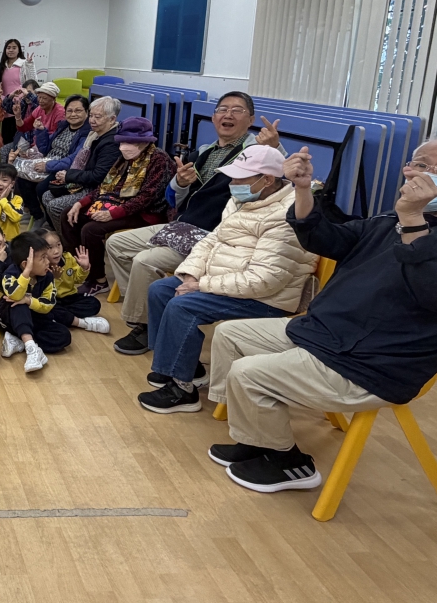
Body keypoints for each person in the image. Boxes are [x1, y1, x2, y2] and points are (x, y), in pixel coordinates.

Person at [206, 134, 437, 494]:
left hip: (376, 363)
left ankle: (289, 463)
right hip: (326, 334)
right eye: (421, 165)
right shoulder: (387, 220)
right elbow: (327, 239)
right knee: (231, 335)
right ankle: (257, 436)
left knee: (249, 374)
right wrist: (302, 189)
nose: (429, 174)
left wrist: (412, 219)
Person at [136, 146, 317, 414]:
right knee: (161, 290)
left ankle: (183, 391)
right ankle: (187, 367)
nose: (232, 183)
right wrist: (191, 273)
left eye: (239, 178)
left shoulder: (286, 215)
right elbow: (211, 240)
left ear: (267, 179)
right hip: (226, 280)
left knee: (183, 306)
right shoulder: (242, 200)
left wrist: (201, 286)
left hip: (266, 298)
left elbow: (265, 280)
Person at [105, 91, 282, 356]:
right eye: (222, 109)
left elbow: (281, 181)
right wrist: (180, 182)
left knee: (145, 261)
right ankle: (149, 311)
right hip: (181, 226)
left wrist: (275, 148)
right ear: (213, 117)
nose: (228, 115)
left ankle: (145, 325)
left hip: (213, 236)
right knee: (116, 243)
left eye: (237, 110)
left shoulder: (256, 152)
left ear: (251, 119)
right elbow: (173, 198)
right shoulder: (204, 151)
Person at [63, 117, 174, 293]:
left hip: (146, 214)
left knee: (91, 229)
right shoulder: (124, 158)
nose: (123, 146)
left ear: (144, 142)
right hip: (116, 204)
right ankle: (80, 268)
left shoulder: (159, 160)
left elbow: (146, 198)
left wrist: (112, 214)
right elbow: (105, 186)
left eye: (129, 142)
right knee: (69, 215)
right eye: (121, 142)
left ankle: (98, 279)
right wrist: (80, 203)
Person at [41, 96, 122, 232]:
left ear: (112, 119)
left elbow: (98, 177)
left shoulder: (111, 143)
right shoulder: (94, 135)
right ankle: (58, 230)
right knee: (46, 195)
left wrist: (69, 176)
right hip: (86, 182)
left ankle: (66, 239)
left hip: (98, 190)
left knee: (55, 206)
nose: (92, 120)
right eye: (91, 116)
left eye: (98, 117)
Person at [18, 94, 91, 225]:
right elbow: (45, 148)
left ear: (87, 112)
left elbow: (74, 159)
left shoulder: (86, 133)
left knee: (42, 188)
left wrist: (48, 166)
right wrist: (41, 131)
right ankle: (37, 215)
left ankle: (50, 223)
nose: (73, 114)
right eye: (70, 111)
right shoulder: (63, 126)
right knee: (21, 177)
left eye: (78, 110)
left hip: (63, 169)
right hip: (49, 160)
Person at [0, 232, 63, 372]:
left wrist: (28, 300)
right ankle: (32, 349)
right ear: (26, 264)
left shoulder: (47, 277)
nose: (48, 262)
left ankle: (21, 341)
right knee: (17, 303)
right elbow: (14, 295)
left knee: (63, 336)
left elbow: (48, 304)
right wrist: (26, 274)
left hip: (34, 318)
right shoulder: (10, 274)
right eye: (43, 258)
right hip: (10, 318)